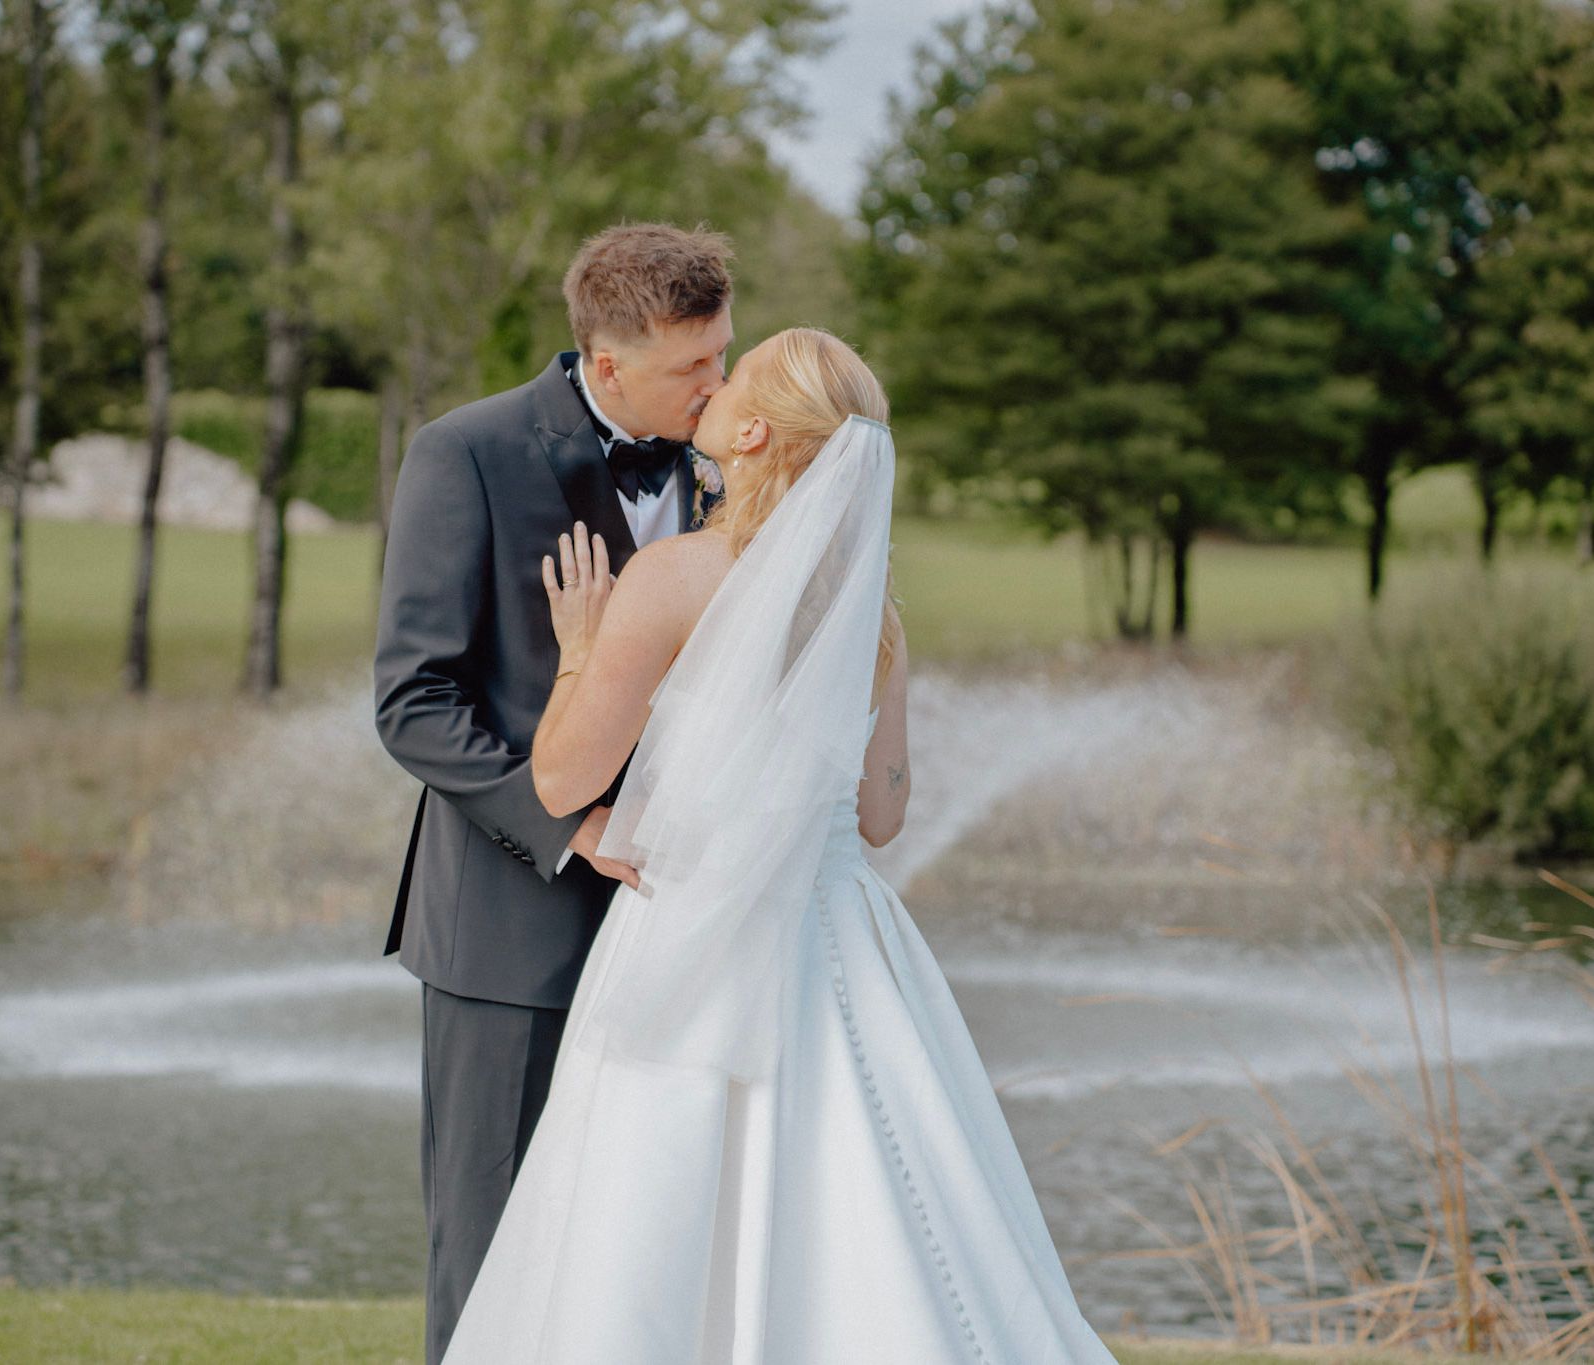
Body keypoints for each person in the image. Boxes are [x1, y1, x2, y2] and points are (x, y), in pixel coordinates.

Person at [439, 327, 1120, 1362]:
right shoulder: (869, 611)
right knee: (868, 1179)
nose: (710, 385)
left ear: (750, 430)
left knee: (647, 1203)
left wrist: (579, 653)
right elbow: (881, 815)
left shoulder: (669, 578)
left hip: (687, 935)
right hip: (836, 936)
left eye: (733, 372)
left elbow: (559, 783)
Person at [371, 222, 735, 1364]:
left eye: (722, 354)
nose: (719, 385)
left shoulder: (731, 468)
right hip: (508, 935)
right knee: (491, 1248)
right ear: (608, 359)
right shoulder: (464, 453)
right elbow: (413, 699)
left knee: (651, 1243)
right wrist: (570, 825)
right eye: (694, 367)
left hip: (689, 927)